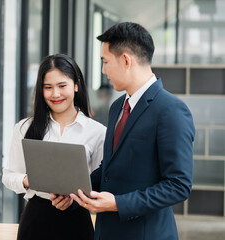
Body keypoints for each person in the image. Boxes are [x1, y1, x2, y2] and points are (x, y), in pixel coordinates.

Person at [70, 22, 195, 240]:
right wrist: (73, 191)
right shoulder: (117, 107)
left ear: (126, 60)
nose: (103, 70)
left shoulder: (171, 110)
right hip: (106, 232)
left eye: (105, 62)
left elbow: (178, 185)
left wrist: (118, 204)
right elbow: (108, 170)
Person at [2, 54, 106, 240]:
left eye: (62, 86)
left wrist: (76, 199)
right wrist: (31, 180)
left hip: (77, 220)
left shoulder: (97, 132)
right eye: (48, 88)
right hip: (36, 219)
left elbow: (99, 184)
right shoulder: (25, 127)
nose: (55, 94)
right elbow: (8, 176)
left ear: (76, 85)